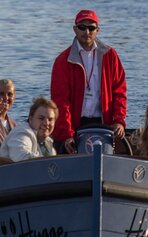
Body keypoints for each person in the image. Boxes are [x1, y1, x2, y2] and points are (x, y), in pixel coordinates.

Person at [50, 9, 127, 154]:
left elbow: (119, 91)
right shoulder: (62, 60)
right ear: (75, 29)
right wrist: (67, 135)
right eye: (82, 27)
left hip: (104, 123)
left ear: (97, 30)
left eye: (91, 28)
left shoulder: (110, 55)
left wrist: (119, 121)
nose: (87, 32)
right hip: (75, 125)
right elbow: (60, 102)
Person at [0, 97, 58, 161]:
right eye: (41, 118)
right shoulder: (22, 133)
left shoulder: (48, 143)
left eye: (50, 119)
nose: (46, 123)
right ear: (31, 119)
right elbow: (21, 157)